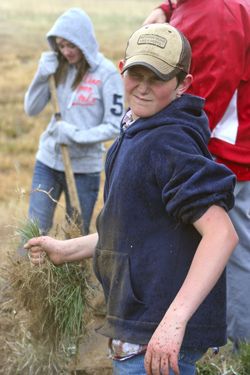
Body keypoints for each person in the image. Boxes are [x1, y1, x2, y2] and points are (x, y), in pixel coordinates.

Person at [25, 24, 238, 375]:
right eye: (136, 73)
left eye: (157, 78)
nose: (142, 86)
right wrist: (66, 250)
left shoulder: (170, 142)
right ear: (122, 67)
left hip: (158, 340)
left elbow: (221, 234)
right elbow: (135, 230)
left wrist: (173, 323)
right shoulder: (137, 130)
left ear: (183, 83)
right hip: (139, 329)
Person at [144, 0, 250, 350]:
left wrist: (162, 146)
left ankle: (235, 352)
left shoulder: (215, 12)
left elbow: (204, 99)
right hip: (218, 154)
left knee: (231, 256)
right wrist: (166, 9)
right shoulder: (197, 6)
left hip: (224, 159)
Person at [24, 8, 124, 235]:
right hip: (47, 162)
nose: (66, 51)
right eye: (61, 45)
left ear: (85, 41)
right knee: (34, 231)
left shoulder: (106, 74)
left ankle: (73, 271)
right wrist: (41, 75)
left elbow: (115, 126)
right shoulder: (57, 68)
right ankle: (27, 271)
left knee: (75, 234)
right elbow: (31, 109)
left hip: (84, 169)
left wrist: (73, 134)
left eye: (71, 45)